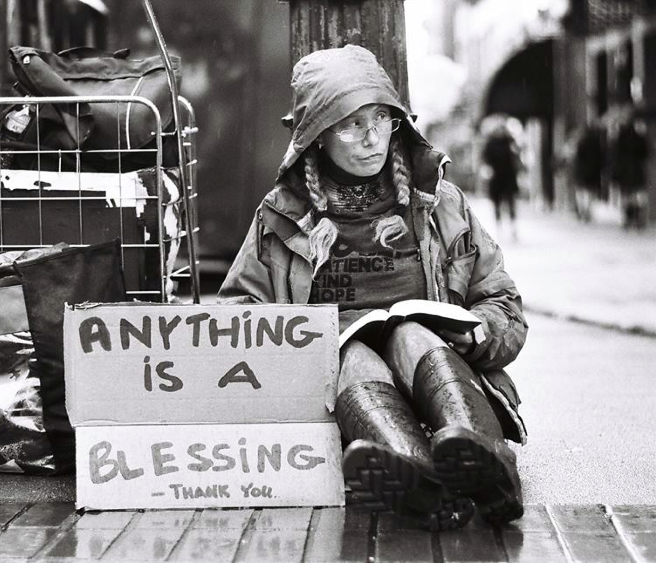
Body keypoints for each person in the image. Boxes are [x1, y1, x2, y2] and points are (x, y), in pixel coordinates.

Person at [218, 45, 528, 530]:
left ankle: (483, 461)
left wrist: (479, 332)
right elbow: (239, 315)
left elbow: (503, 301)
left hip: (440, 381)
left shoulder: (440, 202)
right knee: (353, 351)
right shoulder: (279, 217)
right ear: (317, 138)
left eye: (381, 118)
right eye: (350, 124)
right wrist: (302, 348)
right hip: (346, 387)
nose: (371, 139)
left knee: (410, 334)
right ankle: (417, 476)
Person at [481, 119, 521, 240]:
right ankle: (500, 229)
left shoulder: (510, 141)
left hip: (508, 176)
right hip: (497, 177)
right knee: (497, 203)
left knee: (511, 202)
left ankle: (513, 228)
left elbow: (516, 157)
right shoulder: (490, 143)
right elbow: (485, 159)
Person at [610, 116, 649, 230]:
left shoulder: (620, 137)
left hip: (624, 170)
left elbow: (614, 154)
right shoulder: (639, 137)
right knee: (637, 192)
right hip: (636, 170)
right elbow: (645, 153)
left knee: (626, 194)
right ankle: (639, 216)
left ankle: (627, 217)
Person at [571, 124, 604, 223]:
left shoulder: (581, 142)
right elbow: (600, 158)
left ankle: (583, 212)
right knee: (590, 193)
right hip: (593, 172)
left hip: (581, 172)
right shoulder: (597, 143)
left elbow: (577, 157)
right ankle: (588, 212)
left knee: (581, 192)